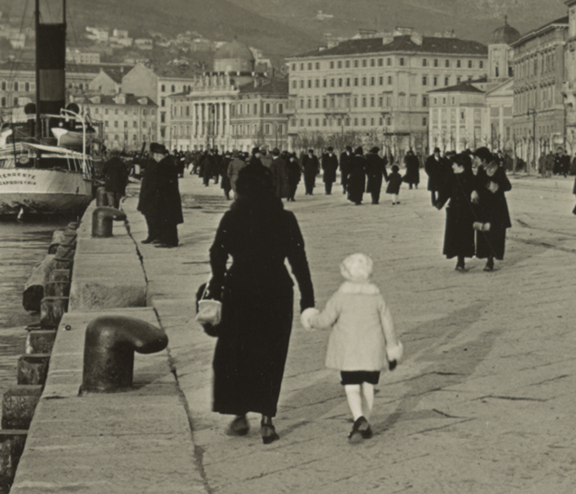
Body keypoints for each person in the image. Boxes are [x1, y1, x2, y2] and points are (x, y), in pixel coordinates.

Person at [207, 159, 315, 444]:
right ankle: (267, 420)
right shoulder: (285, 218)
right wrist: (308, 299)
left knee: (237, 354)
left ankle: (240, 415)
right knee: (271, 354)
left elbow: (217, 254)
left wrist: (217, 285)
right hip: (276, 290)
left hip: (239, 289)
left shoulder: (233, 217)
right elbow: (299, 260)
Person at [300, 253, 402, 443]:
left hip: (348, 354)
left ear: (346, 272)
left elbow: (325, 320)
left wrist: (310, 319)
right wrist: (392, 347)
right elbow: (388, 325)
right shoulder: (377, 298)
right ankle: (366, 422)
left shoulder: (340, 297)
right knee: (368, 387)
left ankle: (358, 418)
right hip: (371, 352)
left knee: (352, 387)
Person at [434, 152, 478, 271]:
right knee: (455, 236)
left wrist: (475, 193)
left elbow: (477, 192)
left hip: (466, 212)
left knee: (464, 236)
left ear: (461, 165)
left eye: (454, 164)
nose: (452, 166)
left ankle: (461, 261)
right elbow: (446, 192)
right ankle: (459, 260)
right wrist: (439, 202)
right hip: (454, 211)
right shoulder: (452, 177)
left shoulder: (471, 178)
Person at [137, 142, 183, 247]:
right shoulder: (160, 164)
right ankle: (158, 237)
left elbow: (159, 183)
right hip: (160, 196)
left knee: (167, 219)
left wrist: (149, 193)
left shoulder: (165, 165)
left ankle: (169, 241)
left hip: (165, 197)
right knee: (159, 218)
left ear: (157, 155)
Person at [473, 150, 512, 271]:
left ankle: (490, 260)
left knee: (494, 233)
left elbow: (507, 186)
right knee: (484, 233)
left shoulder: (497, 170)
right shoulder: (480, 170)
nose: (475, 160)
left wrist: (492, 185)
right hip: (483, 206)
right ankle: (486, 256)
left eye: (477, 158)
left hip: (496, 207)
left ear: (484, 159)